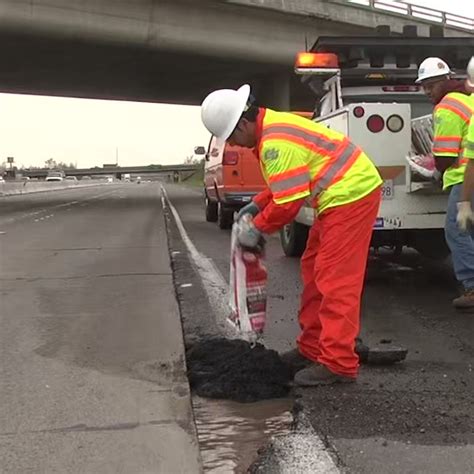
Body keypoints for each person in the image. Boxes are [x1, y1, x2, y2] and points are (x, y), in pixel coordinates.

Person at [201, 85, 382, 385]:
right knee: (313, 271)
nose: (235, 144)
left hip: (351, 195)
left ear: (243, 123)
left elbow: (287, 205)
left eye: (232, 137)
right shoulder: (270, 129)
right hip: (337, 195)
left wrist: (256, 228)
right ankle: (312, 349)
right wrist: (255, 205)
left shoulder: (274, 143)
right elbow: (286, 184)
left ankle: (338, 363)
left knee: (335, 281)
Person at [416, 57, 474, 310]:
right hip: (467, 176)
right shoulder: (466, 100)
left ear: (446, 81)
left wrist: (432, 168)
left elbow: (447, 155)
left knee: (456, 229)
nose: (427, 91)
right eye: (424, 86)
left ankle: (471, 287)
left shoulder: (447, 107)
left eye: (431, 85)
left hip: (465, 180)